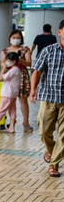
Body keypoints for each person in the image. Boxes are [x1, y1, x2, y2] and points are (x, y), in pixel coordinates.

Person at [29, 19, 64, 178]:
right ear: (59, 32)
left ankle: (53, 165)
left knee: (63, 136)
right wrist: (32, 90)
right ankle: (51, 150)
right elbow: (37, 71)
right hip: (48, 97)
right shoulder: (49, 50)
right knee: (43, 131)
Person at [1, 30, 33, 132]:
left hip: (22, 75)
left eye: (18, 38)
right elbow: (2, 63)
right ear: (10, 38)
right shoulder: (5, 51)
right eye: (13, 37)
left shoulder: (25, 50)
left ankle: (26, 122)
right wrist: (7, 65)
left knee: (23, 100)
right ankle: (12, 122)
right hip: (10, 76)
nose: (15, 39)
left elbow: (29, 63)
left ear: (21, 39)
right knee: (10, 101)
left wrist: (19, 59)